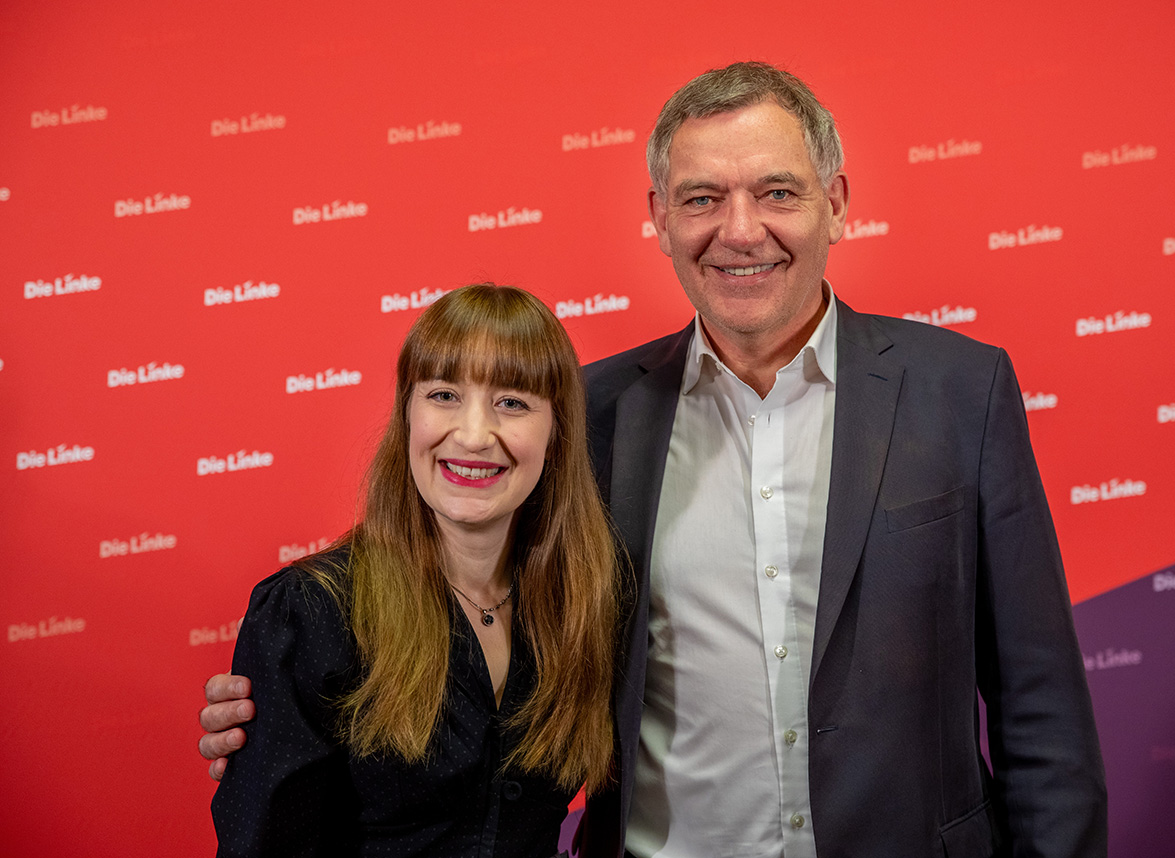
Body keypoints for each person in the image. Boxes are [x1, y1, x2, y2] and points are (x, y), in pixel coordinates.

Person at [204, 63, 1107, 857]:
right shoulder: (592, 414)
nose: (740, 230)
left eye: (778, 192)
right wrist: (291, 697)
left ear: (836, 201)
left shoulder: (963, 391)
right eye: (703, 198)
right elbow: (462, 598)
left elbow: (1042, 713)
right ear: (659, 219)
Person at [209, 284, 619, 857]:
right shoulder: (314, 611)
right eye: (445, 394)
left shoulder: (591, 600)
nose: (474, 436)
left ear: (556, 436)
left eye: (513, 402)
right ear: (408, 415)